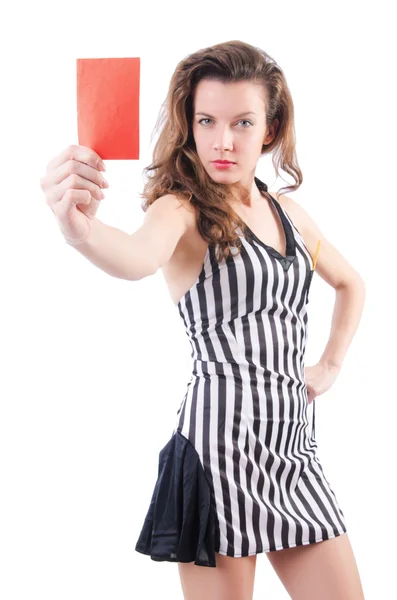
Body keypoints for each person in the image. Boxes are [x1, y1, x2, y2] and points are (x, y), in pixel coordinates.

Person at [40, 40, 366, 600]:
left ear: (270, 127)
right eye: (206, 120)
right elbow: (136, 257)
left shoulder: (288, 212)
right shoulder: (182, 210)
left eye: (242, 122)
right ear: (189, 125)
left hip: (292, 451)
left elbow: (350, 282)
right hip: (217, 454)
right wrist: (81, 231)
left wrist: (330, 364)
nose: (223, 140)